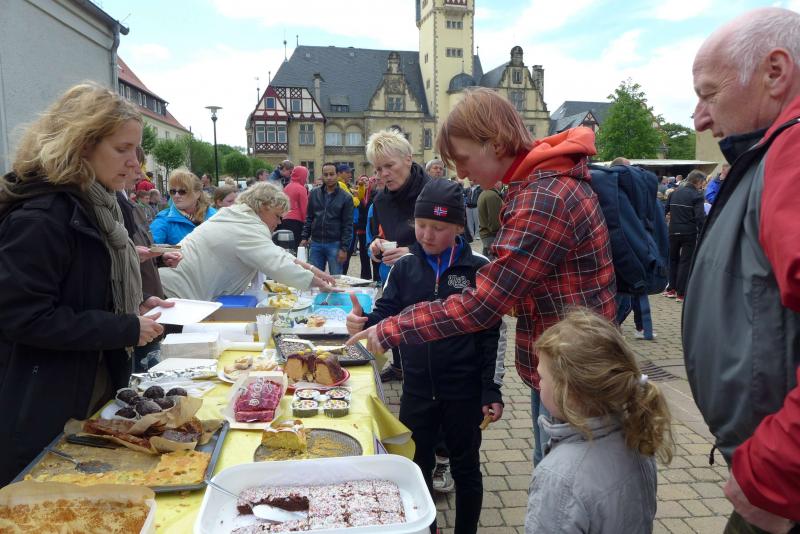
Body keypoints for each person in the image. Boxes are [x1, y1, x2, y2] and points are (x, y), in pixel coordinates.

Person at [348, 88, 616, 467]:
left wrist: (389, 329)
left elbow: (482, 305)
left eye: (462, 158)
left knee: (562, 478)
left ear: (495, 144)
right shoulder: (538, 187)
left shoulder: (544, 198)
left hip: (574, 375)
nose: (461, 172)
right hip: (562, 365)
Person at [0, 83, 167, 485]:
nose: (135, 164)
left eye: (137, 150)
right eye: (123, 149)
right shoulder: (41, 217)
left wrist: (134, 305)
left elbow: (82, 289)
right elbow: (24, 317)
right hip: (44, 404)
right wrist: (122, 327)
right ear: (81, 145)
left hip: (86, 386)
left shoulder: (99, 207)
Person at [685, 7, 800, 532]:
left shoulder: (792, 152)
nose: (700, 119)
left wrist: (774, 472)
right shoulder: (773, 152)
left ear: (775, 72)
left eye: (709, 94)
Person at [347, 179, 504, 534]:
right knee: (416, 468)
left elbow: (494, 334)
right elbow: (384, 314)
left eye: (438, 227)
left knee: (466, 468)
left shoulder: (478, 267)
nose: (427, 235)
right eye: (421, 225)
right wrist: (363, 322)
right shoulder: (404, 267)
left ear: (459, 227)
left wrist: (491, 389)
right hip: (417, 389)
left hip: (463, 391)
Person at [526, 309, 673, 533]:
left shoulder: (559, 477)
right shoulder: (637, 436)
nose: (538, 383)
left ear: (569, 393)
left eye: (542, 377)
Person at [160, 182, 336, 301]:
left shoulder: (237, 215)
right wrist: (320, 284)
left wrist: (313, 270)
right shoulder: (247, 226)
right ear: (263, 207)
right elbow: (277, 263)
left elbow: (278, 254)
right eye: (277, 216)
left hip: (174, 289)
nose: (279, 222)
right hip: (178, 295)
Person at [365, 129, 431, 383]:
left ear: (408, 159)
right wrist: (376, 245)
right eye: (378, 169)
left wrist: (412, 252)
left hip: (433, 282)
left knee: (423, 339)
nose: (383, 174)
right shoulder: (381, 200)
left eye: (389, 166)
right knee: (395, 322)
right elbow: (380, 233)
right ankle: (400, 367)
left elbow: (459, 242)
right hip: (397, 279)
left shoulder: (435, 191)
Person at [299, 162, 353, 275]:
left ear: (337, 175)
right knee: (314, 277)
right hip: (316, 243)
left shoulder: (346, 197)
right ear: (322, 175)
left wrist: (344, 248)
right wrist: (304, 237)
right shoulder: (314, 193)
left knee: (336, 278)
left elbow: (347, 224)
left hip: (335, 243)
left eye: (331, 174)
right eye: (326, 174)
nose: (329, 177)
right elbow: (309, 217)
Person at [663, 170, 706, 303]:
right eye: (702, 182)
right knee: (685, 262)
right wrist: (704, 231)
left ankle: (671, 289)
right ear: (698, 181)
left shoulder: (674, 192)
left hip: (673, 230)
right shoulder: (697, 195)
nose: (702, 185)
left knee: (673, 259)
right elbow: (700, 217)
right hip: (689, 232)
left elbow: (665, 210)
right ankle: (681, 293)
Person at [150, 169, 217, 245]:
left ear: (197, 194)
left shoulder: (214, 216)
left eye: (182, 191)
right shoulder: (165, 219)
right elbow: (151, 247)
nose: (176, 196)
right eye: (173, 191)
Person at [336, 164, 360, 275]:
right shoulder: (340, 184)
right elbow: (354, 202)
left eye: (350, 172)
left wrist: (360, 188)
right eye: (347, 172)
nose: (350, 175)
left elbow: (360, 195)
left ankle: (342, 275)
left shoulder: (346, 185)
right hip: (349, 222)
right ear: (339, 174)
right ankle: (341, 276)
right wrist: (356, 197)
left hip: (352, 221)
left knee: (348, 252)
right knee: (346, 251)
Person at [279, 165, 309, 249]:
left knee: (286, 246)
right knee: (296, 247)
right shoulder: (301, 188)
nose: (306, 179)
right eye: (306, 176)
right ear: (302, 176)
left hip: (284, 220)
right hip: (296, 222)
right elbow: (304, 209)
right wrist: (306, 225)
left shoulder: (286, 187)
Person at [477, 180, 503, 258]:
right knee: (492, 262)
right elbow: (495, 220)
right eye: (500, 181)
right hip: (492, 236)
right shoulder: (492, 195)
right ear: (496, 183)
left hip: (487, 234)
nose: (501, 183)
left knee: (486, 260)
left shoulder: (485, 193)